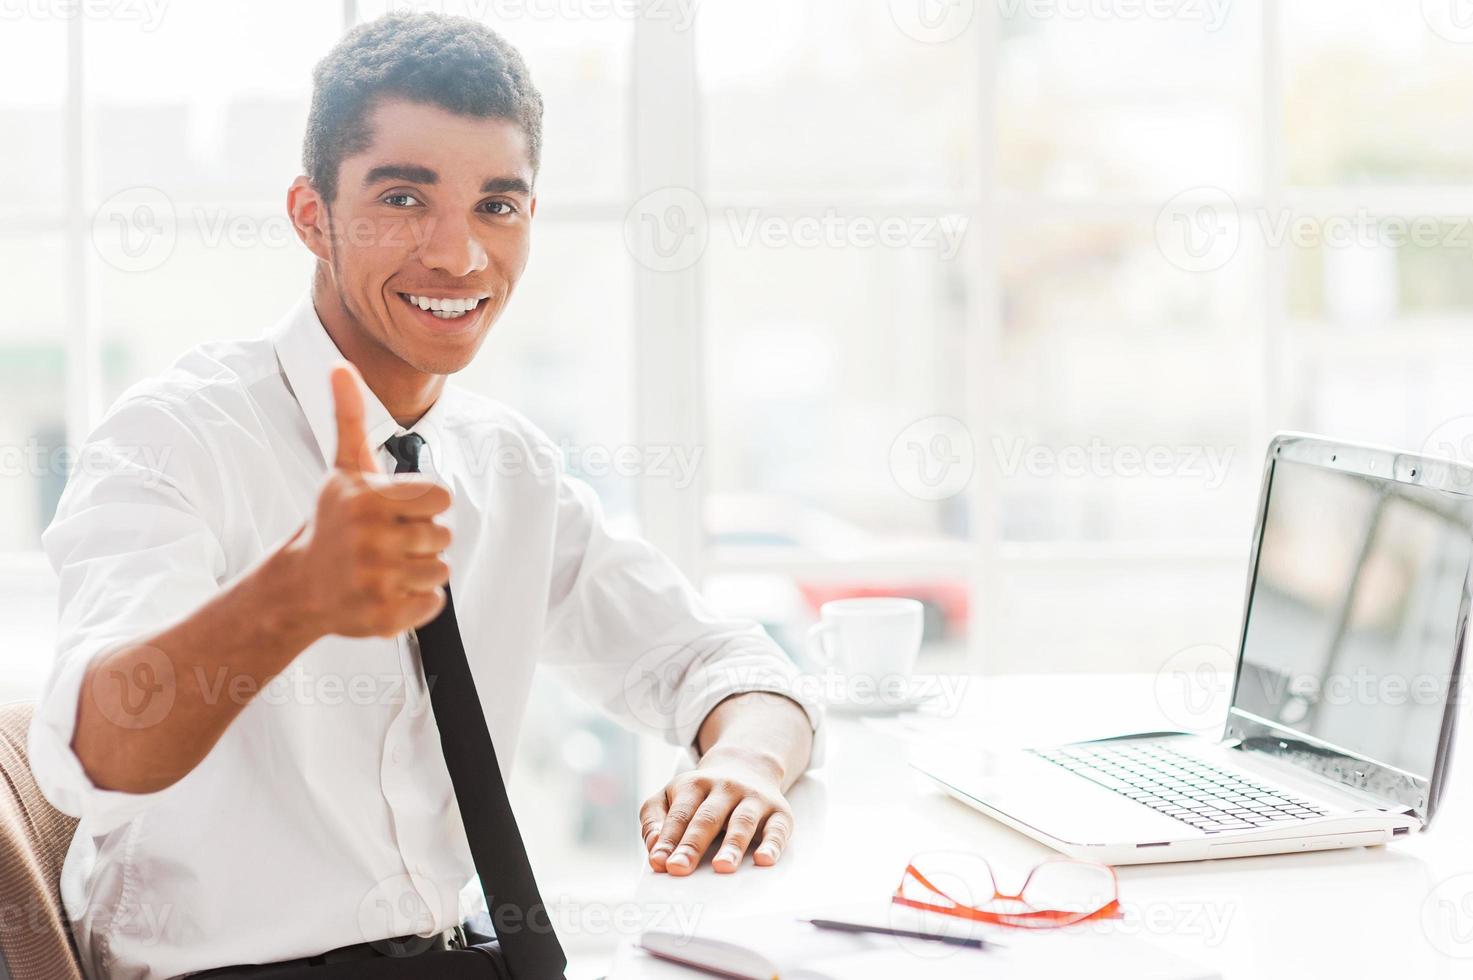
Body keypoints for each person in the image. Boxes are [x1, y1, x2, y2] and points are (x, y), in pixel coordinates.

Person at [29, 12, 822, 979]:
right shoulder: (174, 438)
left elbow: (718, 658)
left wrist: (743, 761)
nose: (458, 258)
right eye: (403, 198)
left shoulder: (506, 466)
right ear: (311, 213)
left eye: (498, 205)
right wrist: (294, 597)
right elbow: (95, 756)